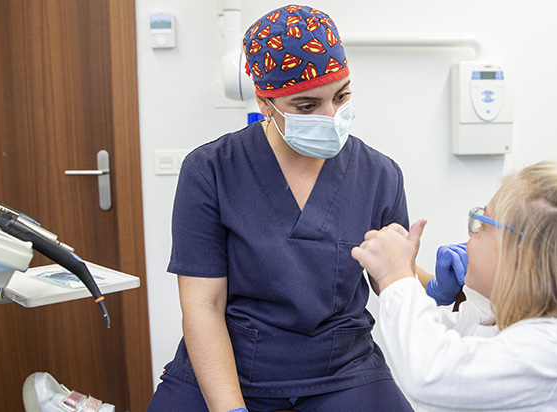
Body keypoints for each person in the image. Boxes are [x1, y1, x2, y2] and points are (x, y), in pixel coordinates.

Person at [146, 5, 413, 412]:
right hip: (232, 365)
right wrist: (230, 408)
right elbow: (203, 305)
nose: (332, 117)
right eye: (307, 106)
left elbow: (390, 276)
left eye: (341, 96)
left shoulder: (379, 174)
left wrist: (439, 285)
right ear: (265, 102)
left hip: (340, 370)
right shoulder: (210, 170)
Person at [351, 157, 557, 412]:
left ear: (524, 258)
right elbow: (439, 337)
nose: (471, 231)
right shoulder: (505, 318)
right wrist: (421, 284)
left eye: (483, 222)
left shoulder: (549, 350)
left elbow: (429, 372)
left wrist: (396, 278)